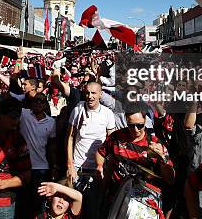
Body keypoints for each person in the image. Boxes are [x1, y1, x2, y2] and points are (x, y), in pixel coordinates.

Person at [96, 101, 174, 218]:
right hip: (118, 196)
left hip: (143, 201)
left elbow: (170, 179)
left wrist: (162, 158)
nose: (136, 130)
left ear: (145, 121)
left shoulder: (154, 143)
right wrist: (99, 166)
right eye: (131, 125)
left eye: (140, 125)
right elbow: (101, 152)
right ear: (126, 120)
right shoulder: (117, 137)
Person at [67, 81, 115, 219]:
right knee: (75, 210)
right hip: (77, 168)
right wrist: (70, 164)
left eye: (93, 93)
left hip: (97, 170)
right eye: (87, 93)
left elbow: (111, 141)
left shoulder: (108, 114)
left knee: (93, 209)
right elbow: (70, 138)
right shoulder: (78, 109)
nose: (90, 96)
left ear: (100, 94)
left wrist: (105, 167)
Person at [19, 92, 57, 216]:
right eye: (36, 101)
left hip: (41, 168)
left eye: (42, 101)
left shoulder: (51, 122)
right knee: (23, 202)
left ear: (46, 104)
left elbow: (51, 147)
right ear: (31, 103)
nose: (39, 103)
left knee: (38, 203)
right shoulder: (23, 114)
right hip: (22, 167)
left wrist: (53, 167)